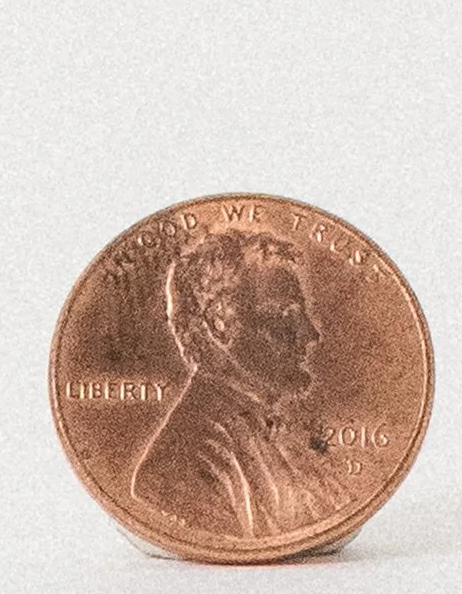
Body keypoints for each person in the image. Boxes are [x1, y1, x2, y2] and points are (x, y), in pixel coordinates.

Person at [133, 222, 347, 544]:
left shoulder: (282, 434)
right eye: (286, 315)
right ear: (220, 322)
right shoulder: (180, 467)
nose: (310, 334)